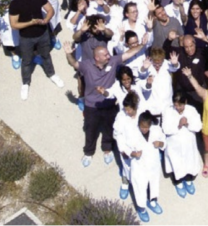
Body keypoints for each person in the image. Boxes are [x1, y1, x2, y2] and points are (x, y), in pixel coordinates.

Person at [65, 31, 146, 168]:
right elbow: (73, 64)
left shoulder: (113, 61)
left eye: (108, 54)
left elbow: (129, 53)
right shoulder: (86, 65)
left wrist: (142, 44)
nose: (109, 56)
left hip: (109, 104)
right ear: (97, 58)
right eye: (106, 55)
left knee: (109, 129)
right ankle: (89, 152)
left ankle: (107, 149)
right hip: (92, 105)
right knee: (90, 130)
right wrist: (68, 53)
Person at [8, 0, 66, 100]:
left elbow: (51, 10)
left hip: (42, 34)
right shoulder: (15, 3)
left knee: (46, 55)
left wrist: (46, 20)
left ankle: (52, 74)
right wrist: (31, 22)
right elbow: (14, 25)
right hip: (26, 37)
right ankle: (25, 83)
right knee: (27, 61)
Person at [120, 111, 165, 222]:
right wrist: (133, 154)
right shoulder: (133, 133)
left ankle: (153, 201)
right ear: (138, 124)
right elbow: (125, 148)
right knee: (140, 187)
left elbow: (164, 141)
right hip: (139, 167)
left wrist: (160, 143)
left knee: (153, 184)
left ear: (150, 125)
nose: (144, 129)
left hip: (153, 165)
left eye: (146, 127)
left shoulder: (156, 130)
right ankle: (141, 208)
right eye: (142, 126)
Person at [162, 91, 202, 198]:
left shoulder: (191, 110)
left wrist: (188, 123)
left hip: (189, 144)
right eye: (176, 105)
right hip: (174, 146)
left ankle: (189, 180)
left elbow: (198, 126)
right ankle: (178, 182)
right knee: (176, 163)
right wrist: (178, 125)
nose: (178, 107)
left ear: (185, 102)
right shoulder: (168, 111)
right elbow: (165, 129)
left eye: (180, 105)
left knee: (189, 162)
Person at [113, 91, 142, 201]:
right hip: (126, 149)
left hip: (140, 149)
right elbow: (117, 134)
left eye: (129, 109)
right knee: (127, 167)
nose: (127, 111)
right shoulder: (121, 116)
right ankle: (125, 182)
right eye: (126, 109)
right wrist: (123, 150)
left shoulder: (142, 113)